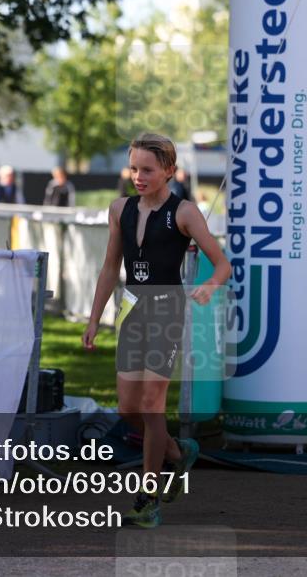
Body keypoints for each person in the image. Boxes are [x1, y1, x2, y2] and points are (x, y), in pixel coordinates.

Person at [82, 133, 230, 528]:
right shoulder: (120, 209)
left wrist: (208, 286)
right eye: (134, 168)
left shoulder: (184, 212)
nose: (139, 176)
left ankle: (149, 498)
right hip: (132, 312)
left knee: (151, 404)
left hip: (167, 312)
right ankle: (179, 453)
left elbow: (222, 264)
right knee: (129, 409)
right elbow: (111, 267)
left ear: (168, 170)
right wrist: (94, 318)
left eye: (147, 169)